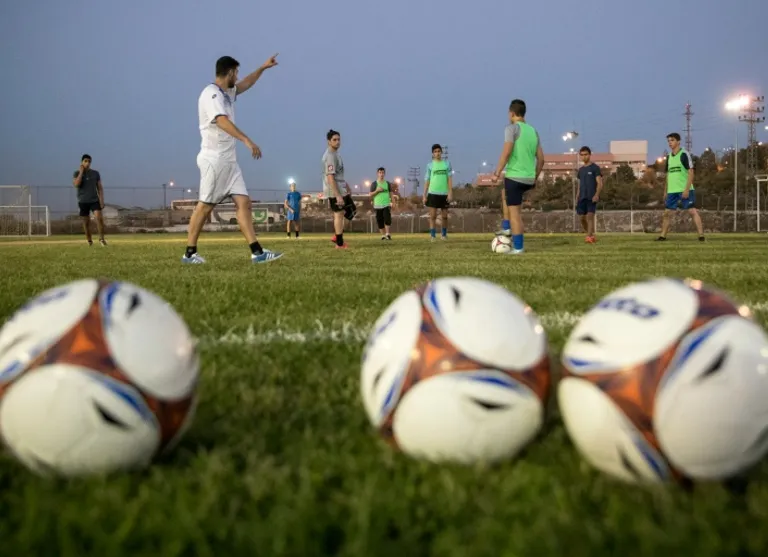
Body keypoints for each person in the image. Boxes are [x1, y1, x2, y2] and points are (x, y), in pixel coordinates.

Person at [182, 54, 283, 264]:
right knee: (205, 206)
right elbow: (221, 120)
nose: (237, 77)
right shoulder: (211, 94)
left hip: (229, 162)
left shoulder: (226, 93)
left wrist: (263, 68)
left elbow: (246, 83)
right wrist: (246, 140)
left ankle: (257, 253)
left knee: (244, 202)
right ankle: (189, 254)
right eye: (236, 73)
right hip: (215, 160)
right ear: (229, 72)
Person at [491, 99, 544, 254]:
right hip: (528, 178)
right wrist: (535, 177)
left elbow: (506, 152)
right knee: (504, 195)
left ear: (512, 113)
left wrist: (497, 173)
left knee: (515, 213)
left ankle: (518, 247)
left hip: (514, 176)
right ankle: (507, 228)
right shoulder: (533, 131)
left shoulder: (511, 128)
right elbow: (541, 159)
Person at [657, 132, 705, 242]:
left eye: (672, 140)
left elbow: (691, 172)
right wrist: (665, 191)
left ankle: (701, 236)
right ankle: (662, 236)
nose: (670, 143)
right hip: (672, 191)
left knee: (692, 211)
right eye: (668, 141)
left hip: (684, 190)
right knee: (667, 213)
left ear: (678, 142)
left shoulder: (684, 154)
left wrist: (686, 189)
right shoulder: (669, 157)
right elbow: (668, 175)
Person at [322, 129, 351, 249]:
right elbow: (330, 177)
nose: (337, 142)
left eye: (339, 139)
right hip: (334, 190)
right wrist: (337, 195)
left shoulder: (335, 154)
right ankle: (339, 243)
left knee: (351, 211)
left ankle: (337, 235)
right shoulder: (330, 156)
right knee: (338, 214)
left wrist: (346, 185)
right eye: (334, 140)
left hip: (341, 187)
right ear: (329, 141)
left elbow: (338, 174)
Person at [72, 154, 107, 246]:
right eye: (85, 161)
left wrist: (101, 200)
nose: (87, 163)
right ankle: (89, 241)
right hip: (83, 201)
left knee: (99, 218)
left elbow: (100, 188)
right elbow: (76, 184)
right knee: (86, 223)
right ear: (82, 162)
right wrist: (81, 172)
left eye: (89, 161)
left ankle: (102, 239)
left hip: (94, 200)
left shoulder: (95, 173)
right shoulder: (76, 173)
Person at [423, 144, 453, 241]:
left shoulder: (447, 164)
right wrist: (424, 195)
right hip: (433, 193)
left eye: (439, 151)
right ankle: (432, 235)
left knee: (444, 216)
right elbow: (427, 180)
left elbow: (449, 179)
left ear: (441, 152)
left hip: (444, 193)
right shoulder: (429, 165)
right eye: (435, 152)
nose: (437, 153)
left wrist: (450, 192)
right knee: (433, 216)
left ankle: (444, 235)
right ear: (433, 154)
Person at [576, 146, 603, 243]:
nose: (584, 157)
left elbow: (600, 183)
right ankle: (591, 234)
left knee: (590, 216)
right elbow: (580, 184)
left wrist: (597, 194)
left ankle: (589, 237)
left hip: (591, 197)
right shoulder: (580, 170)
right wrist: (577, 195)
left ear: (590, 155)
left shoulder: (595, 168)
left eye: (586, 154)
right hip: (582, 197)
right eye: (582, 155)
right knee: (581, 218)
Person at [369, 167, 393, 240]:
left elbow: (391, 193)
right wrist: (377, 191)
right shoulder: (374, 184)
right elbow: (370, 194)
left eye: (382, 173)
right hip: (377, 205)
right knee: (380, 221)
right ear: (377, 174)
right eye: (380, 172)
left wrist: (393, 202)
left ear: (384, 174)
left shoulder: (387, 183)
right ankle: (383, 235)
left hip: (386, 204)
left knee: (387, 218)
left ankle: (387, 234)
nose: (381, 174)